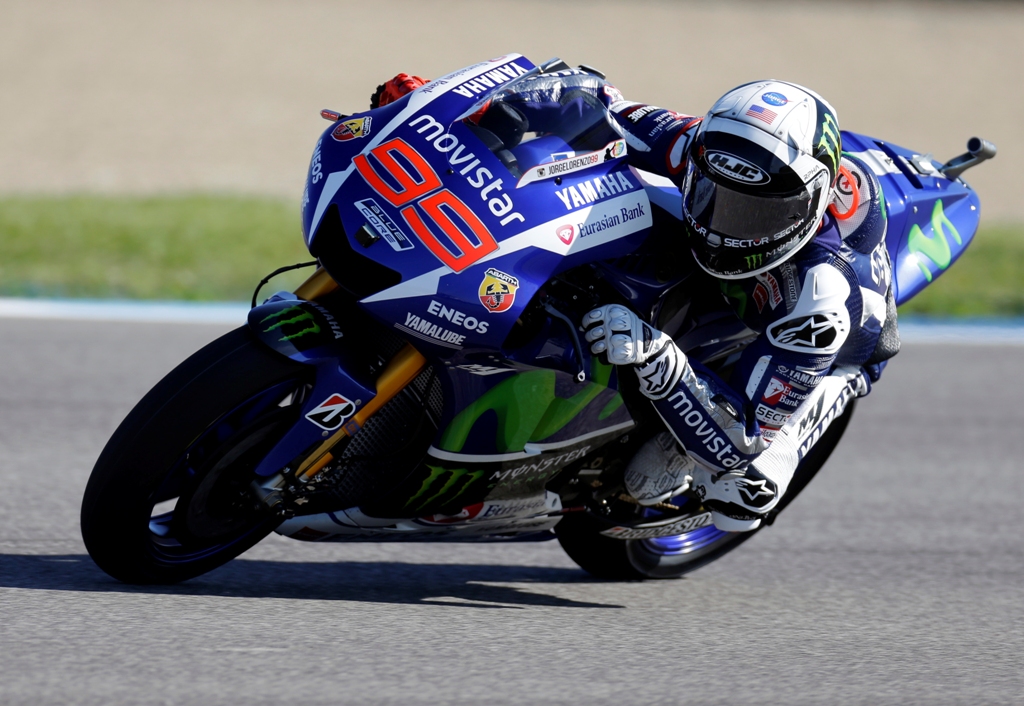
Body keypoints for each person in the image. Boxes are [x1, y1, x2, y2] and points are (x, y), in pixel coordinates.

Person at [373, 67, 900, 532]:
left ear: (807, 205)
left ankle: (695, 444)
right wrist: (449, 116)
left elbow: (742, 436)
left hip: (831, 346)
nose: (723, 228)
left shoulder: (820, 302)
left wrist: (658, 358)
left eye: (753, 216)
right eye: (712, 197)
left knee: (740, 492)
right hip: (748, 262)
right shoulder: (695, 145)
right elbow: (597, 103)